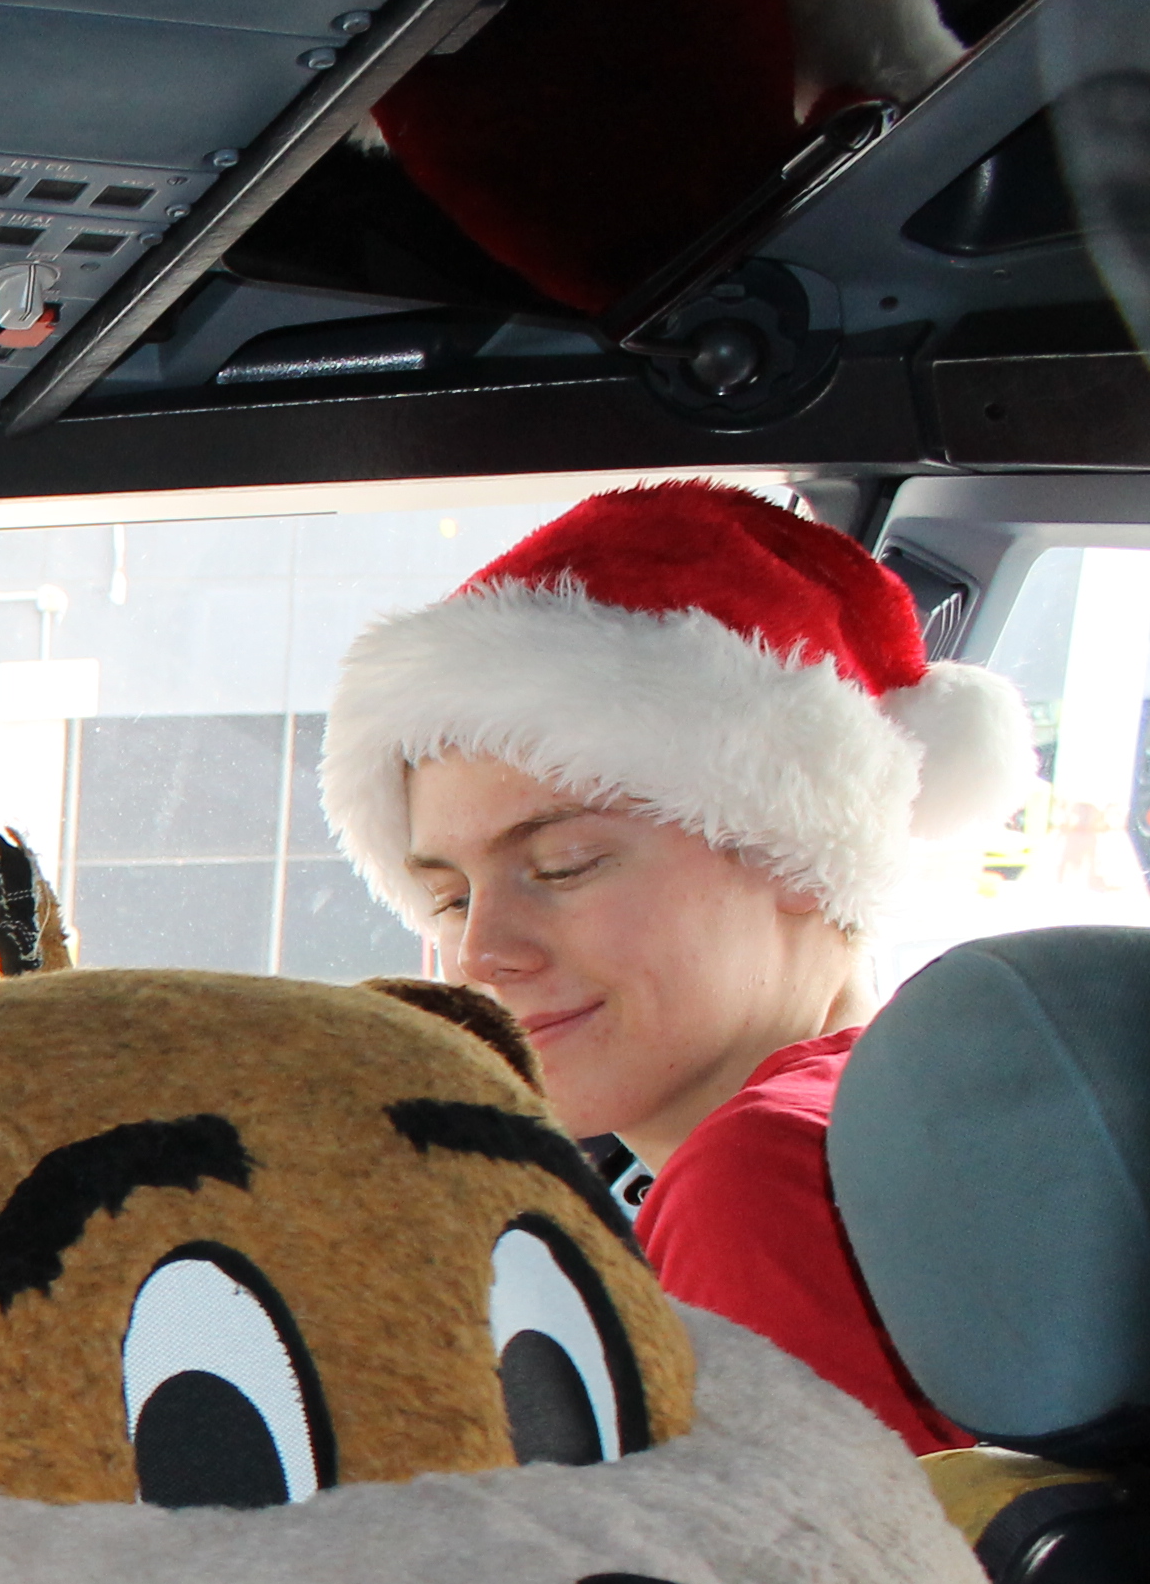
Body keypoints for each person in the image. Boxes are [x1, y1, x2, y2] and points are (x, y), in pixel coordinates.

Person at [323, 481, 1037, 1453]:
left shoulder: (764, 1180)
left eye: (564, 864)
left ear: (797, 848)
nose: (481, 955)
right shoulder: (922, 1120)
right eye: (447, 898)